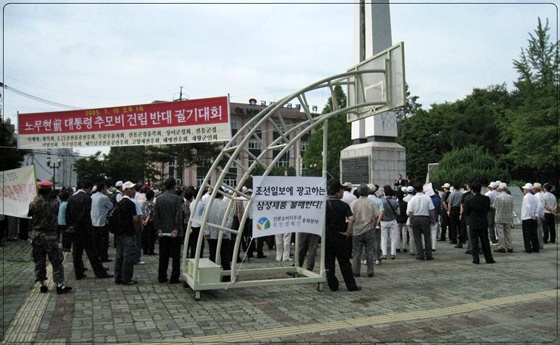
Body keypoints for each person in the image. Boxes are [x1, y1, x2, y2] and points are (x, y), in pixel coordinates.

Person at [28, 180, 72, 294]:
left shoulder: (34, 203)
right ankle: (59, 285)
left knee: (39, 260)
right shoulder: (55, 203)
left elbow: (29, 213)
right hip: (50, 235)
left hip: (36, 235)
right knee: (56, 261)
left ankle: (42, 284)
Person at [66, 179, 113, 280]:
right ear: (88, 188)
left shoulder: (71, 198)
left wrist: (71, 226)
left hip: (75, 230)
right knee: (92, 253)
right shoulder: (87, 198)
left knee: (77, 253)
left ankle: (78, 273)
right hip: (85, 229)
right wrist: (76, 225)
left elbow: (68, 214)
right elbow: (84, 214)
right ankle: (100, 272)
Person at [325, 181, 361, 292]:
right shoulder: (343, 205)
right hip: (340, 235)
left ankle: (333, 285)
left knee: (329, 262)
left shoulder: (324, 204)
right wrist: (348, 231)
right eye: (341, 190)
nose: (343, 193)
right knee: (344, 262)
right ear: (337, 192)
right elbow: (352, 219)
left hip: (327, 235)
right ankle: (351, 285)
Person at [153, 177, 184, 284]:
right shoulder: (177, 199)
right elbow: (178, 215)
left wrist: (158, 228)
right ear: (174, 186)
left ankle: (162, 276)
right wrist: (176, 228)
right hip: (174, 232)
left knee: (163, 255)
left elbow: (156, 215)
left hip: (163, 231)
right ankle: (174, 277)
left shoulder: (159, 198)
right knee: (176, 256)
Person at [350, 183, 380, 277]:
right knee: (370, 252)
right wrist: (374, 226)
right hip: (369, 229)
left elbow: (351, 218)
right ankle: (370, 271)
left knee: (357, 252)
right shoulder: (372, 203)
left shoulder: (354, 203)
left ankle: (356, 271)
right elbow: (376, 216)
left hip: (356, 230)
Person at [114, 181, 141, 285]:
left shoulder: (120, 202)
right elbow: (135, 219)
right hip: (128, 232)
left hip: (119, 232)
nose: (133, 191)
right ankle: (126, 278)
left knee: (119, 255)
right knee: (128, 256)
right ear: (126, 190)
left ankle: (118, 277)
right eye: (131, 189)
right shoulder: (130, 203)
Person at [463, 182, 496, 264]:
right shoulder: (486, 198)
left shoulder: (468, 199)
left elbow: (466, 212)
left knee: (474, 241)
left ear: (471, 189)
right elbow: (487, 209)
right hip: (483, 222)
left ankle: (476, 259)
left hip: (473, 222)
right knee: (485, 241)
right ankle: (489, 258)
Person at [204, 190, 233, 281]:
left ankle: (212, 275)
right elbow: (230, 220)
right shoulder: (226, 205)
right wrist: (225, 231)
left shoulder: (208, 205)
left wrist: (206, 232)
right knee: (225, 255)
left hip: (211, 234)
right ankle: (227, 275)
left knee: (212, 254)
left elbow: (204, 220)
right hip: (224, 235)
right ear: (222, 195)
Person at [407, 182, 435, 261]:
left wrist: (411, 221)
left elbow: (410, 212)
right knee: (427, 237)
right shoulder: (427, 198)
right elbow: (431, 210)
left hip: (416, 218)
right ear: (422, 189)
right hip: (425, 218)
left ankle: (420, 254)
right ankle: (429, 255)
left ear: (415, 190)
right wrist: (433, 219)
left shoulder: (412, 199)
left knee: (417, 238)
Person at [91, 182, 113, 263]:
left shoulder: (92, 196)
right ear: (102, 189)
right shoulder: (104, 197)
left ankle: (97, 255)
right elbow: (111, 206)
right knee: (104, 241)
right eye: (106, 188)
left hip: (93, 221)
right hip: (102, 221)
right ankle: (103, 256)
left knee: (96, 240)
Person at [493, 183, 514, 253]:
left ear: (500, 188)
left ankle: (502, 247)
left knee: (500, 232)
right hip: (508, 216)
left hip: (499, 216)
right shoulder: (510, 197)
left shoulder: (498, 197)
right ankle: (509, 246)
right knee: (508, 232)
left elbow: (494, 206)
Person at [380, 185, 399, 260]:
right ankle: (393, 254)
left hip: (384, 221)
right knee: (393, 237)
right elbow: (398, 213)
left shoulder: (381, 201)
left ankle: (384, 254)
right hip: (393, 220)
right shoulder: (395, 201)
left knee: (383, 238)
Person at [367, 184, 384, 264]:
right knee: (377, 241)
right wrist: (377, 222)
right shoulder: (378, 200)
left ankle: (365, 258)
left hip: (365, 222)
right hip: (376, 221)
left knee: (366, 241)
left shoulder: (365, 200)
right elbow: (381, 212)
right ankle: (377, 258)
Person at [521, 183, 539, 253]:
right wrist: (535, 215)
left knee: (526, 234)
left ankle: (528, 248)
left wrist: (532, 214)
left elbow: (529, 206)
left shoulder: (526, 197)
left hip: (526, 217)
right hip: (533, 218)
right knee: (534, 233)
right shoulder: (535, 197)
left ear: (526, 190)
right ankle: (535, 248)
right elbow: (537, 206)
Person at [141, 189, 156, 255]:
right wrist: (147, 221)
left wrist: (143, 221)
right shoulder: (152, 204)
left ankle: (145, 250)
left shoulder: (144, 203)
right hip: (150, 222)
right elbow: (150, 213)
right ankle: (151, 250)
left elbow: (141, 213)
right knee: (151, 237)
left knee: (145, 236)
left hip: (143, 221)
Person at [395, 189, 409, 254]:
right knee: (404, 233)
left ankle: (397, 247)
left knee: (397, 233)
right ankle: (404, 247)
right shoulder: (406, 203)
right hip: (404, 219)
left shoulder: (396, 203)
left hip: (398, 219)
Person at [532, 183, 545, 250]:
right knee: (539, 231)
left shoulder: (536, 196)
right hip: (540, 215)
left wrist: (537, 214)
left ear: (535, 189)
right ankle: (540, 244)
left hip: (537, 215)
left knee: (537, 231)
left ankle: (538, 244)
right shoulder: (541, 195)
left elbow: (539, 206)